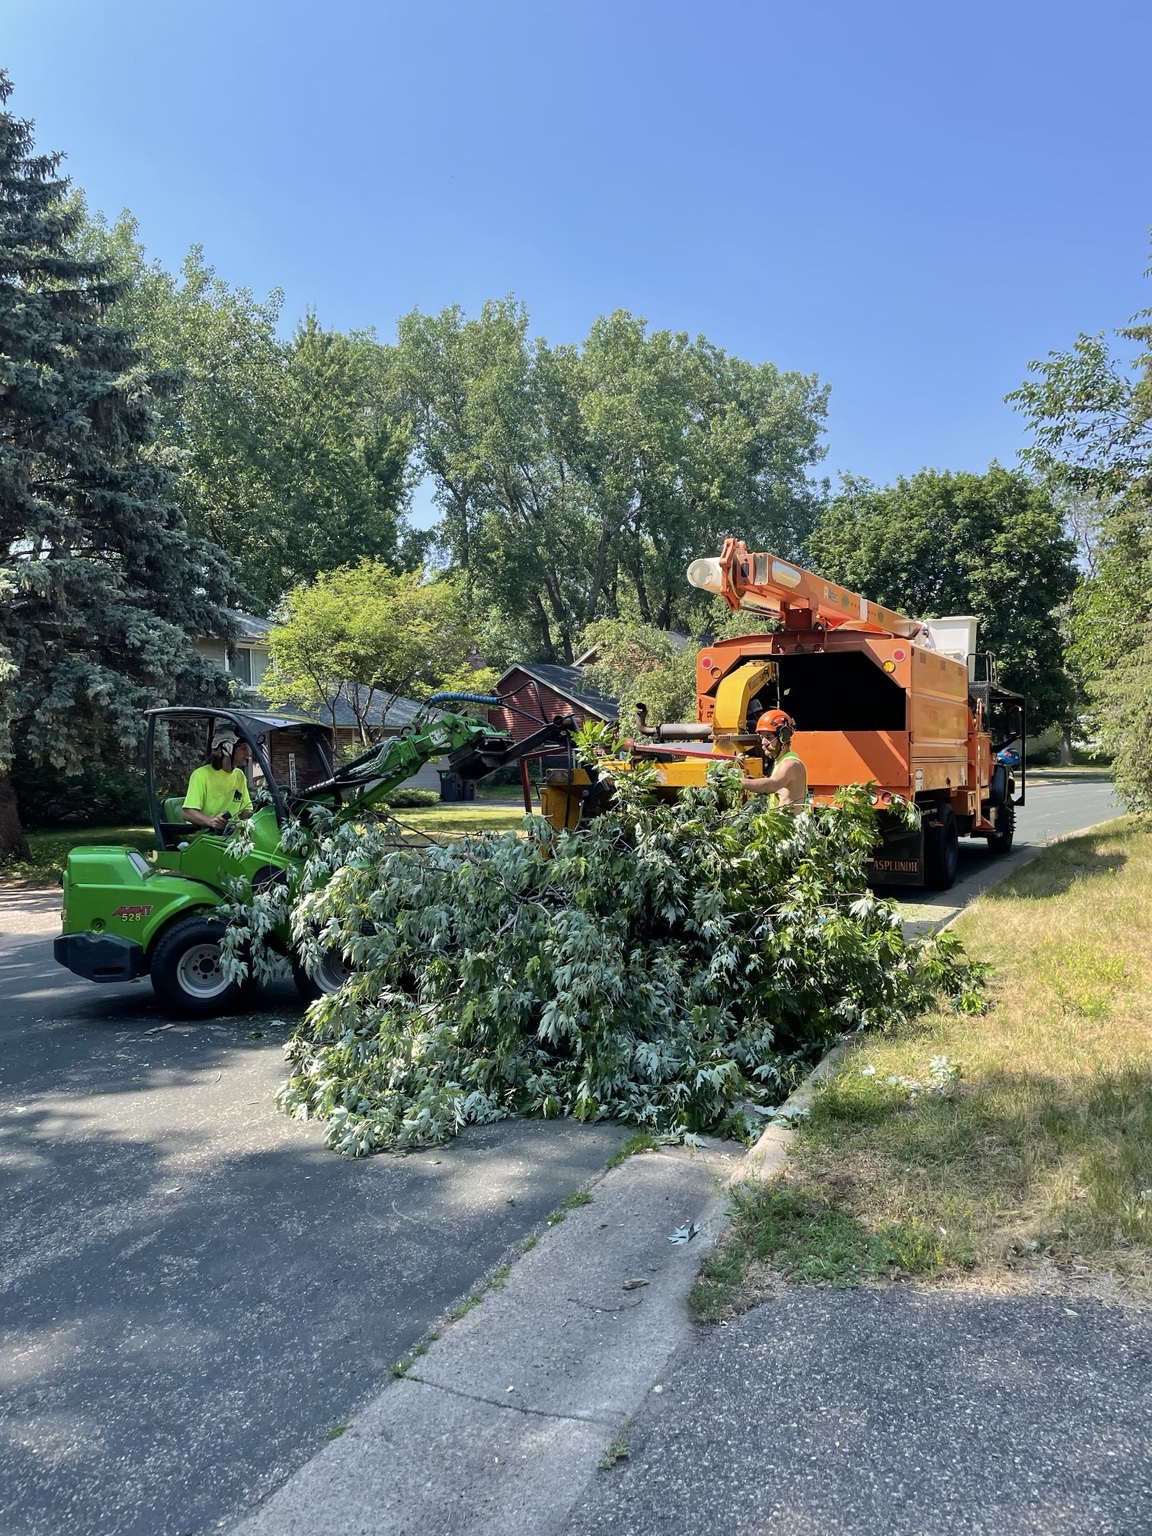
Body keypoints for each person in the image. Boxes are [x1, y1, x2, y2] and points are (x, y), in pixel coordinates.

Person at [182, 731, 254, 833]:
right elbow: (187, 813)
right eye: (243, 748)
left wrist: (263, 809)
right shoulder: (201, 775)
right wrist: (211, 821)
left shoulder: (240, 775)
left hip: (229, 833)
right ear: (227, 748)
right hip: (204, 834)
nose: (247, 753)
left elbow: (244, 813)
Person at [741, 709, 807, 808]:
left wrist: (739, 782)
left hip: (789, 819)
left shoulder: (791, 763)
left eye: (768, 737)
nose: (763, 742)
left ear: (783, 737)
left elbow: (772, 785)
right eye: (762, 737)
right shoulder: (779, 762)